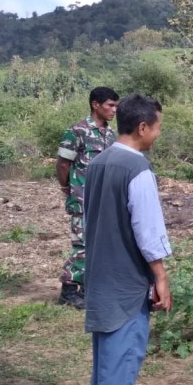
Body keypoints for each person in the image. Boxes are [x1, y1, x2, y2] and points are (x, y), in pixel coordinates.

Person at [83, 93, 172, 385]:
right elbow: (148, 230)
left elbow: (89, 219)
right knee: (118, 372)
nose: (158, 135)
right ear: (143, 127)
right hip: (127, 288)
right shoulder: (137, 168)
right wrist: (161, 277)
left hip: (100, 281)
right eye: (158, 128)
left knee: (105, 372)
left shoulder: (97, 163)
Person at [56, 86, 119, 309]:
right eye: (110, 105)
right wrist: (68, 188)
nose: (114, 110)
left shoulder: (110, 135)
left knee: (99, 246)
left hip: (103, 201)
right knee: (82, 245)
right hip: (82, 199)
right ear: (95, 105)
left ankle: (88, 289)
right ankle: (69, 290)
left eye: (116, 106)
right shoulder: (77, 131)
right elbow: (63, 164)